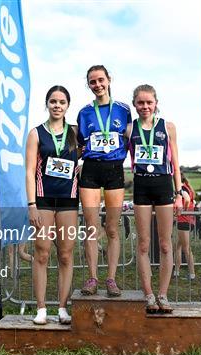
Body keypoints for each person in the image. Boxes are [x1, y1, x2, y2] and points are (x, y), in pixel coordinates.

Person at [127, 84, 184, 313]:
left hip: (163, 185)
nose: (145, 107)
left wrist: (179, 193)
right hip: (141, 185)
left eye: (149, 102)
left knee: (165, 243)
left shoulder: (168, 127)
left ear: (156, 103)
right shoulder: (129, 129)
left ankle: (163, 294)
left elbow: (176, 163)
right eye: (140, 103)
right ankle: (148, 294)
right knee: (143, 244)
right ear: (134, 104)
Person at [26, 85, 79, 325]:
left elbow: (90, 157)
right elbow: (29, 172)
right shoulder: (36, 133)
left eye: (62, 102)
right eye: (53, 101)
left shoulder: (76, 133)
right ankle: (41, 308)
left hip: (68, 202)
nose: (57, 106)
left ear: (68, 106)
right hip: (43, 201)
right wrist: (31, 205)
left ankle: (62, 308)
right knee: (42, 253)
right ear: (47, 104)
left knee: (66, 255)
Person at [77, 65, 132, 297]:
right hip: (90, 169)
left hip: (114, 170)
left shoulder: (123, 109)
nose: (97, 85)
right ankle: (92, 278)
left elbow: (133, 138)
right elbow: (79, 145)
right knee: (91, 229)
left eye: (101, 80)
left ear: (109, 79)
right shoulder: (84, 112)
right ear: (88, 85)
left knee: (111, 228)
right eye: (92, 82)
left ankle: (110, 278)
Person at [174, 172, 196, 280]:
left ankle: (192, 274)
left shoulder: (182, 188)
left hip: (184, 221)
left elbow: (187, 199)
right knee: (177, 247)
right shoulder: (187, 187)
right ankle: (176, 272)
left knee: (186, 249)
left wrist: (184, 211)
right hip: (188, 221)